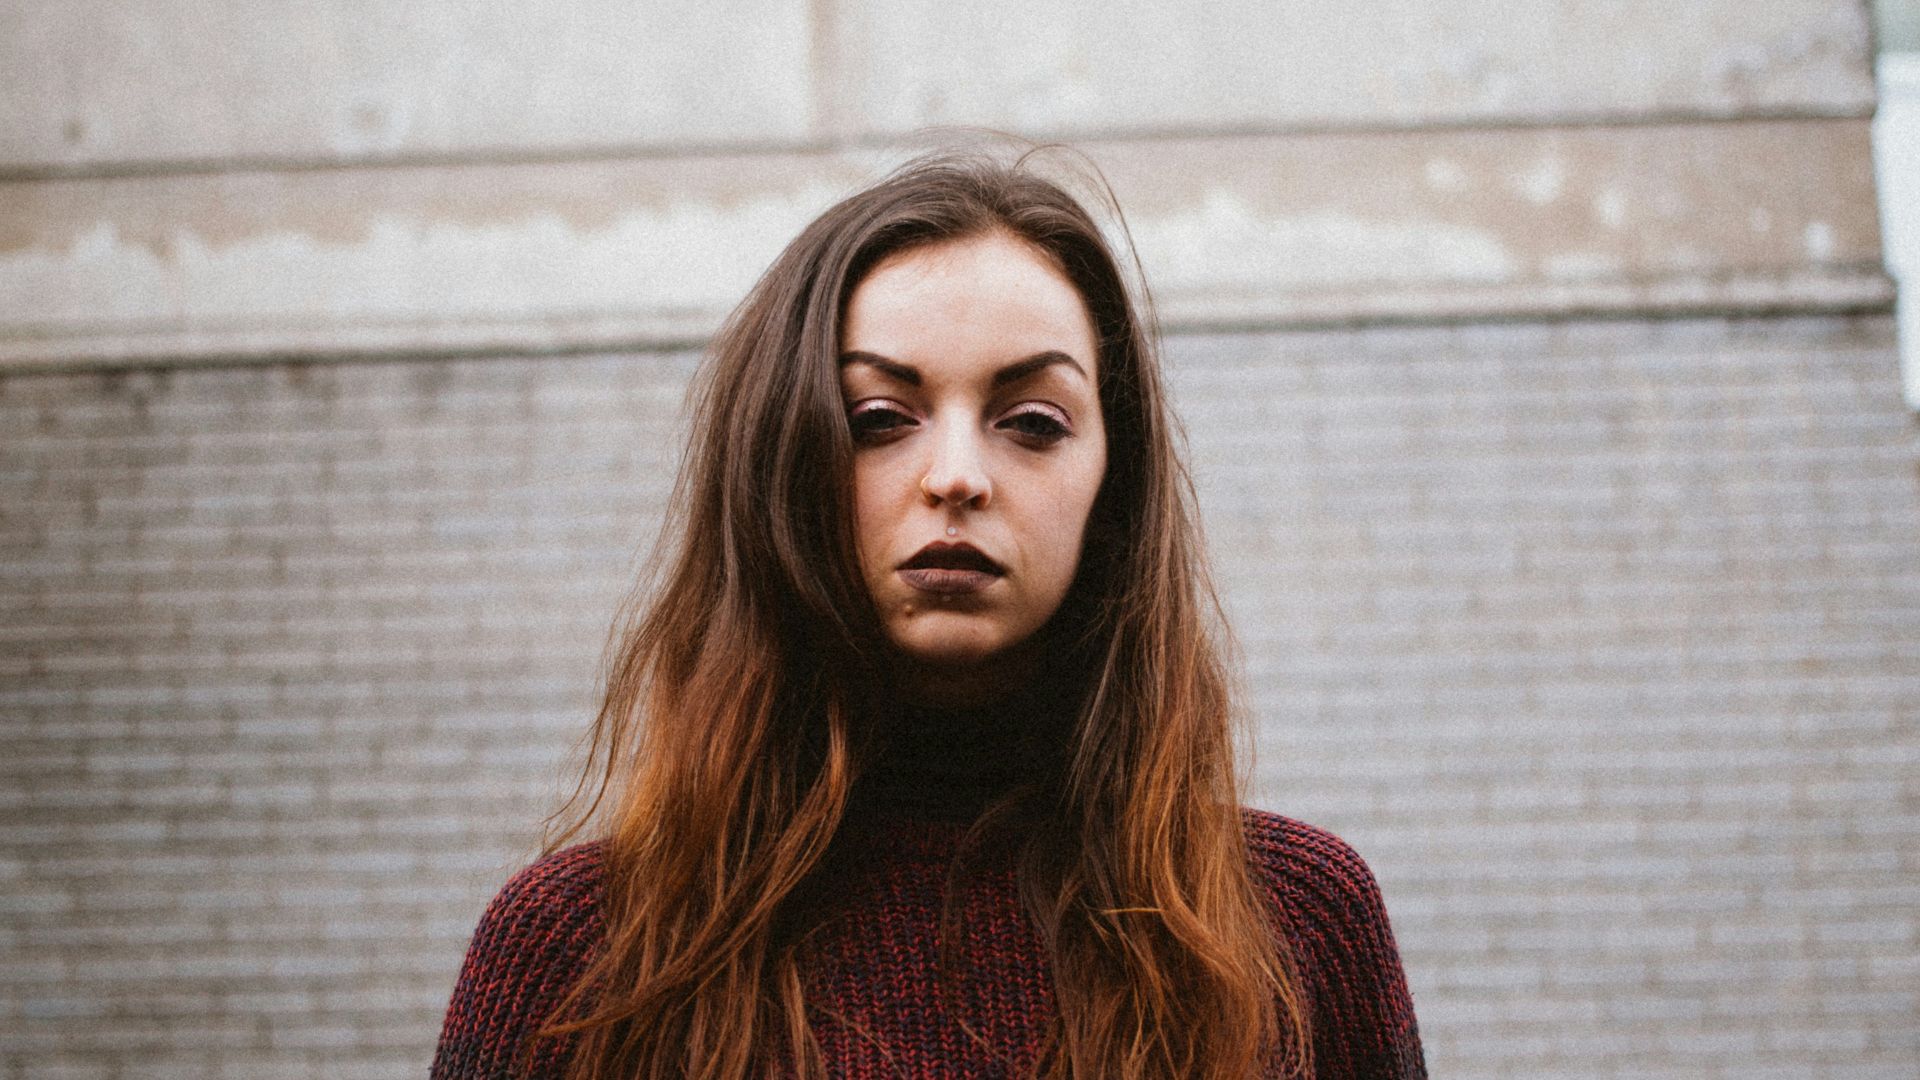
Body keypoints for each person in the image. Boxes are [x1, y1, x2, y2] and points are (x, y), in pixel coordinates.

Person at [431, 148, 1425, 1080]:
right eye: (879, 421)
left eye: (1032, 423)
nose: (956, 477)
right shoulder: (580, 951)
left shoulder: (1295, 924)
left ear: (1111, 479)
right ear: (783, 465)